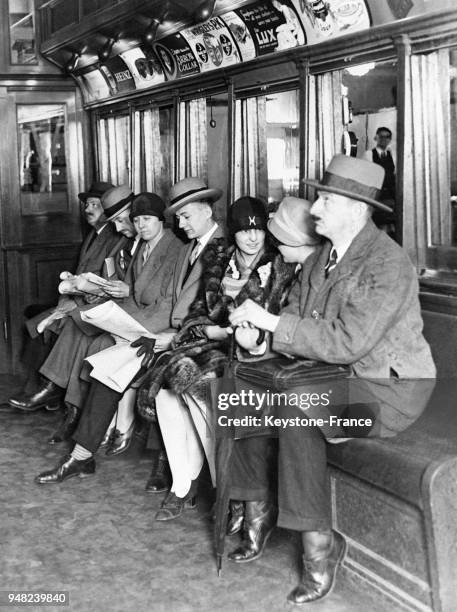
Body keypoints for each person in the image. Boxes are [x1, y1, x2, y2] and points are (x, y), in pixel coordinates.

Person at [229, 155, 436, 604]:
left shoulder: (387, 263)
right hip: (334, 378)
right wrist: (258, 344)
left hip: (388, 395)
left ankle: (320, 547)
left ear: (355, 209)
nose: (315, 208)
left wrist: (268, 321)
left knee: (298, 412)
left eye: (325, 199)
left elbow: (348, 343)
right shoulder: (322, 257)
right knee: (240, 387)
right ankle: (254, 510)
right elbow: (300, 327)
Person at [35, 178, 223, 484]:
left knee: (112, 363)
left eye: (185, 216)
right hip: (163, 334)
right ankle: (81, 456)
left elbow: (208, 313)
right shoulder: (191, 245)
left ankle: (86, 454)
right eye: (177, 217)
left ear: (205, 210)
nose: (180, 223)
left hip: (188, 342)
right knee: (106, 370)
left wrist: (171, 337)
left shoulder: (219, 247)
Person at [137, 196, 302, 525]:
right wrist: (208, 330)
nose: (252, 238)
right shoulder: (218, 258)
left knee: (200, 393)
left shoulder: (278, 264)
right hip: (212, 345)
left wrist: (228, 334)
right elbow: (197, 311)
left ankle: (225, 490)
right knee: (170, 396)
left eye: (258, 232)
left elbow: (277, 321)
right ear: (234, 233)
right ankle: (183, 485)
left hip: (251, 356)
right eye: (244, 232)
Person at [226, 196, 320, 563]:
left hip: (323, 373)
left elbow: (325, 336)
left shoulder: (318, 270)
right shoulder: (287, 268)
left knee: (256, 399)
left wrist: (265, 337)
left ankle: (257, 515)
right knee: (242, 395)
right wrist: (255, 341)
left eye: (278, 238)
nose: (269, 243)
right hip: (294, 365)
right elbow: (280, 323)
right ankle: (254, 513)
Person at [9, 181, 119, 410]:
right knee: (35, 324)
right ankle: (37, 391)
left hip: (90, 303)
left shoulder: (113, 237)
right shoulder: (93, 235)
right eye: (87, 204)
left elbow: (106, 282)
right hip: (74, 300)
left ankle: (46, 392)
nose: (88, 209)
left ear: (108, 210)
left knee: (51, 325)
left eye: (95, 205)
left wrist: (68, 304)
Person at [363, 127, 396, 204]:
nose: (384, 139)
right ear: (376, 138)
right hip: (375, 197)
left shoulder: (392, 155)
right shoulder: (369, 154)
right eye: (381, 136)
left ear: (390, 139)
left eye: (387, 137)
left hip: (390, 197)